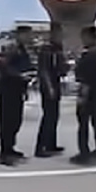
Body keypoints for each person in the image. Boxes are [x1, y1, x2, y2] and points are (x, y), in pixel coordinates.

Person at [71, 26, 96, 165]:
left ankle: (84, 152)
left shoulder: (89, 55)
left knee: (83, 122)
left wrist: (82, 94)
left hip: (87, 90)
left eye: (84, 37)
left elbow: (82, 74)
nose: (82, 40)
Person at [0, 30, 33, 166]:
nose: (29, 37)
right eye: (27, 34)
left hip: (18, 89)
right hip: (8, 89)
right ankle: (5, 151)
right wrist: (19, 76)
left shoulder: (24, 50)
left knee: (16, 120)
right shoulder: (12, 49)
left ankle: (10, 147)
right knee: (8, 121)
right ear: (19, 35)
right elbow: (5, 66)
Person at [35, 22, 67, 158]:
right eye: (59, 33)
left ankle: (51, 144)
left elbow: (60, 68)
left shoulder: (57, 48)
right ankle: (41, 147)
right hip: (48, 85)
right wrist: (49, 88)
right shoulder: (46, 49)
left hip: (56, 83)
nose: (61, 36)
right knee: (48, 116)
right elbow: (43, 70)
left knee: (54, 116)